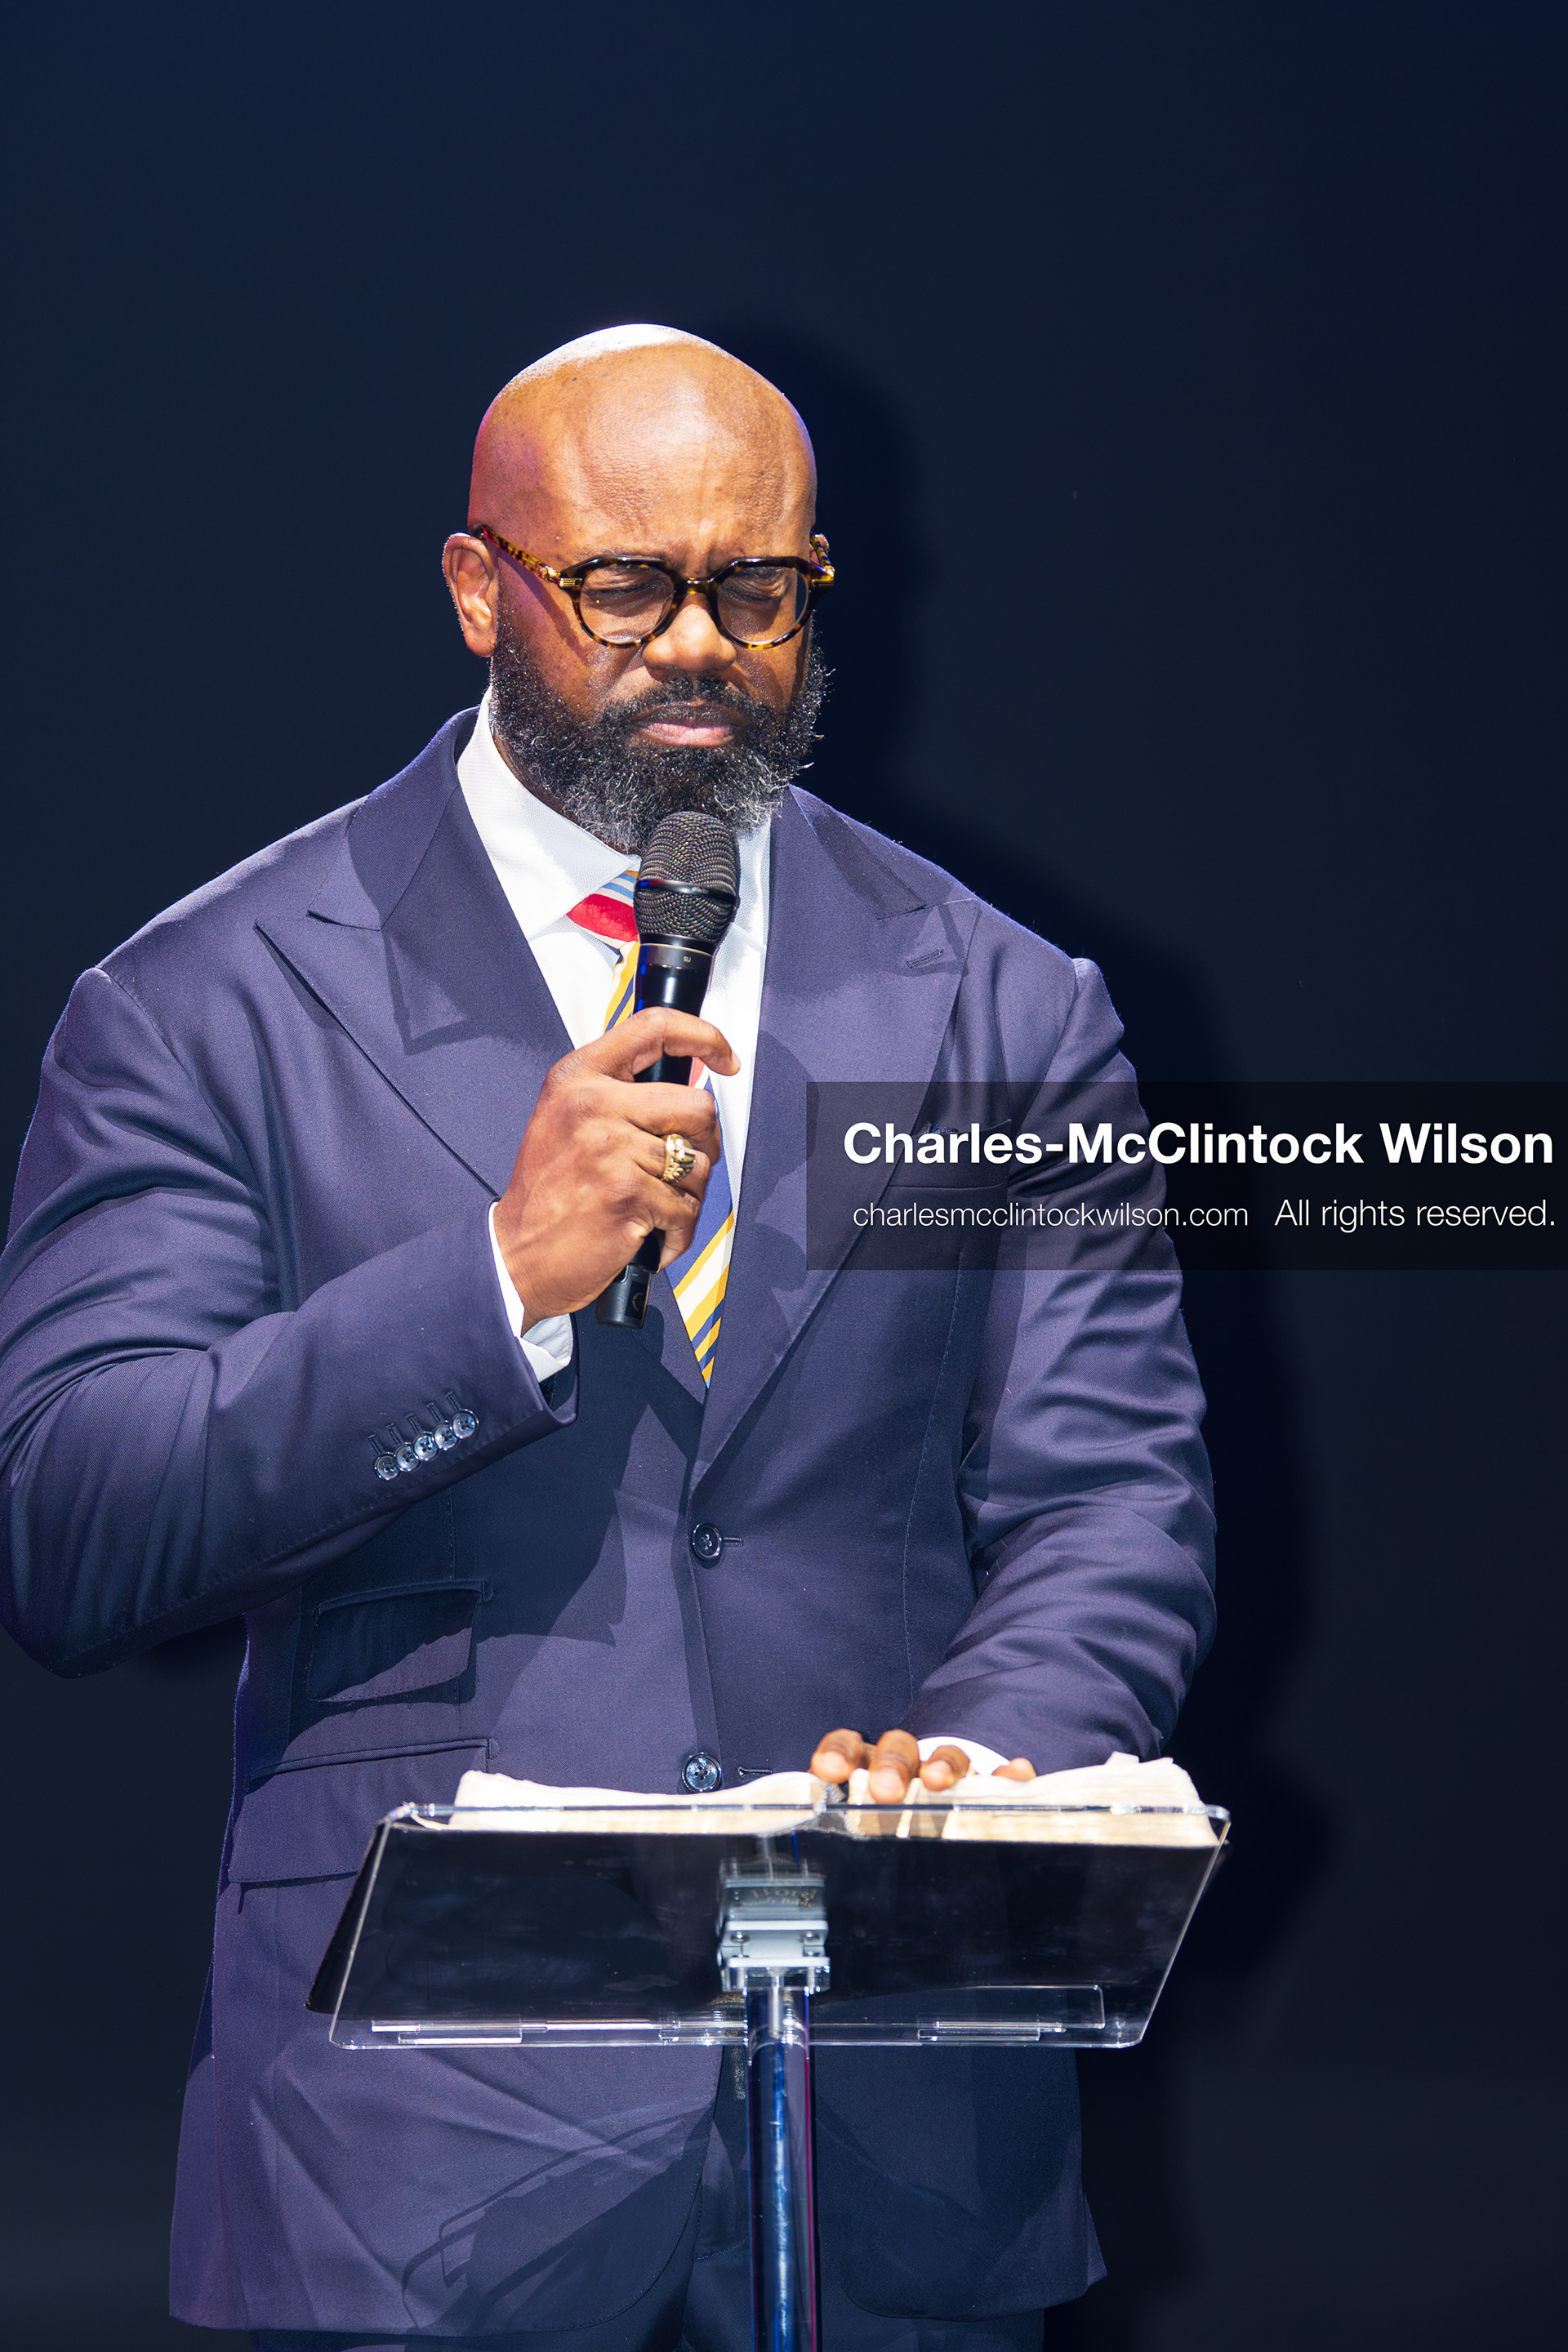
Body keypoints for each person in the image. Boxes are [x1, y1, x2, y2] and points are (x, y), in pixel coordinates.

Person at [0, 327, 1216, 2350]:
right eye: (625, 587)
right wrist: (496, 1280)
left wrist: (984, 1765)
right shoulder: (207, 998)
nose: (699, 649)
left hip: (895, 2136)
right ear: (482, 586)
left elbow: (1109, 1497)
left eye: (758, 592)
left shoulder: (1001, 1005)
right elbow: (70, 1521)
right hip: (411, 2171)